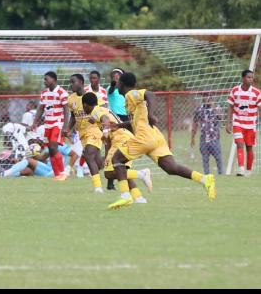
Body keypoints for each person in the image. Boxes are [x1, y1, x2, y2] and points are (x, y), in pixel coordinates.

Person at [108, 72, 216, 210]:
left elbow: (150, 94)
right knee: (171, 167)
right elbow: (136, 120)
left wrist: (152, 114)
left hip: (144, 137)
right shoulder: (129, 100)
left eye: (118, 82)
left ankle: (125, 196)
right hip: (155, 136)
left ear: (121, 83)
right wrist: (119, 125)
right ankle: (204, 179)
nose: (116, 84)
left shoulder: (131, 94)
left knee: (116, 159)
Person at [81, 92, 152, 203]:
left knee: (109, 173)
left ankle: (142, 174)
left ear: (85, 105)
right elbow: (109, 139)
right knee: (122, 170)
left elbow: (105, 120)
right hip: (124, 138)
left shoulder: (95, 111)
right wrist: (107, 155)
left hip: (121, 139)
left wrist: (104, 133)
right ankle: (139, 197)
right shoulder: (102, 109)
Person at [64, 75, 106, 193]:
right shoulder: (71, 99)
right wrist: (68, 129)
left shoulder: (91, 96)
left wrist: (98, 120)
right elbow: (73, 116)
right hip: (81, 133)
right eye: (70, 82)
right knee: (99, 164)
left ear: (81, 82)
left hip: (94, 129)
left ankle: (97, 188)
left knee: (87, 155)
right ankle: (113, 160)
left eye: (73, 82)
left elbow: (103, 108)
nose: (71, 84)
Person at [32, 71, 69, 181]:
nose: (45, 81)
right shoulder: (44, 93)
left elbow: (66, 110)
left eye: (46, 79)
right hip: (48, 124)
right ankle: (57, 175)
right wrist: (35, 122)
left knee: (53, 147)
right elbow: (40, 108)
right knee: (50, 149)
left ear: (54, 80)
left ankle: (63, 173)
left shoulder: (62, 92)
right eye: (44, 79)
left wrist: (65, 126)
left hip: (58, 123)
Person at [226, 69, 261, 177]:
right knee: (239, 143)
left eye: (252, 77)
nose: (251, 79)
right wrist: (228, 122)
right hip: (238, 123)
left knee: (249, 147)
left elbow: (260, 108)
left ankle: (248, 171)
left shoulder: (257, 93)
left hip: (250, 125)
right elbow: (230, 106)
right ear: (243, 78)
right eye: (248, 77)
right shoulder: (235, 90)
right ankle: (241, 168)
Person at [106, 68, 129, 190]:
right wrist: (114, 82)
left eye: (118, 76)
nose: (116, 77)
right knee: (113, 149)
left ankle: (124, 177)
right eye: (114, 76)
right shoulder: (111, 89)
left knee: (127, 148)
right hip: (116, 120)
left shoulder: (126, 91)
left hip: (127, 120)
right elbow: (112, 88)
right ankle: (110, 182)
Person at [191, 93, 224, 175]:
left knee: (218, 158)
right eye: (205, 96)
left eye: (209, 96)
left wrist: (213, 107)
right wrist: (192, 137)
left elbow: (221, 118)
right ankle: (207, 175)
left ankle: (221, 174)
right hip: (203, 139)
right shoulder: (199, 109)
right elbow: (195, 123)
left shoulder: (217, 107)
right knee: (205, 160)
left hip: (214, 139)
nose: (207, 98)